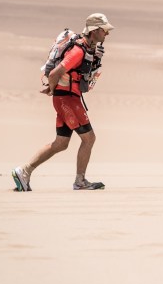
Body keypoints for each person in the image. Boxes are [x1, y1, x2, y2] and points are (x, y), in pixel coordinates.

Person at [12, 13, 115, 191]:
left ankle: (24, 171)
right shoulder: (78, 51)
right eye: (104, 30)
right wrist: (52, 89)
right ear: (95, 30)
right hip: (67, 100)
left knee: (61, 143)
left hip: (65, 99)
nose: (107, 33)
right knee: (89, 138)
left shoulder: (87, 48)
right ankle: (80, 182)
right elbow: (54, 73)